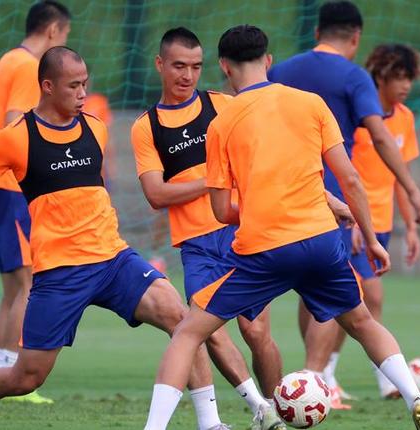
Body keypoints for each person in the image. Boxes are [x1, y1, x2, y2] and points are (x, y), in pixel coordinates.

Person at [143, 25, 420, 430]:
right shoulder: (311, 104)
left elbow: (220, 210)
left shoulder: (222, 124)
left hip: (264, 250)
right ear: (268, 61)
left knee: (188, 333)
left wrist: (258, 211)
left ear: (224, 67)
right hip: (321, 241)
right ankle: (415, 398)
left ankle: (155, 427)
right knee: (362, 322)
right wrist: (371, 238)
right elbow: (350, 179)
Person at [0, 47, 223, 430]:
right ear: (47, 86)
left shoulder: (95, 127)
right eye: (73, 86)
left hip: (113, 260)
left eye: (85, 84)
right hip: (60, 273)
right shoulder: (15, 138)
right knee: (26, 377)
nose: (82, 94)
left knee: (181, 319)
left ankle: (211, 423)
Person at [267, 0, 420, 406]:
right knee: (340, 290)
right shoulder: (353, 76)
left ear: (316, 32)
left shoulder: (280, 71)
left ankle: (314, 381)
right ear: (356, 37)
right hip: (328, 201)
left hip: (275, 196)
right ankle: (315, 383)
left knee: (307, 291)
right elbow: (379, 137)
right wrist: (412, 189)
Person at [131, 27, 288, 430]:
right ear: (160, 65)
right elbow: (156, 194)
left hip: (240, 232)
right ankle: (262, 410)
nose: (188, 75)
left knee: (256, 331)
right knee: (208, 330)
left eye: (196, 67)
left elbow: (262, 154)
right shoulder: (147, 126)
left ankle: (279, 407)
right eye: (179, 66)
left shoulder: (222, 104)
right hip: (196, 244)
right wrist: (212, 180)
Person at [0, 1, 71, 404]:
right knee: (28, 285)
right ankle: (15, 380)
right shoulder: (28, 66)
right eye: (64, 35)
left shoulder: (7, 60)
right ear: (52, 31)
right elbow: (15, 120)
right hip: (11, 189)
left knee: (13, 290)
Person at [321, 43, 420, 399]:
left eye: (409, 78)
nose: (405, 85)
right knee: (366, 296)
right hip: (355, 224)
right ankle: (379, 379)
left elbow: (399, 177)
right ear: (380, 76)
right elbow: (346, 175)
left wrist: (411, 227)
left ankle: (329, 374)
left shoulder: (405, 118)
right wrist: (351, 221)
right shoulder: (361, 122)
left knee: (358, 301)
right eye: (399, 77)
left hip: (382, 225)